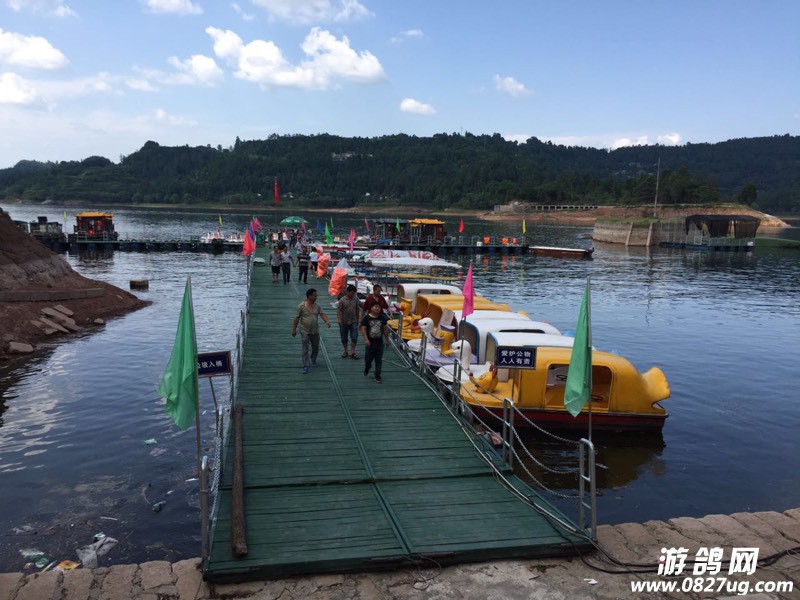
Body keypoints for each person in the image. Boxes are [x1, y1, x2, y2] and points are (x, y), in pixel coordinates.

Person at [291, 288, 331, 374]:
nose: (316, 297)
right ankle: (305, 365)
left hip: (315, 330)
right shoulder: (301, 306)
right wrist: (294, 329)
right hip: (304, 330)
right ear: (309, 296)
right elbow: (296, 318)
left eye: (316, 296)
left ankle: (313, 358)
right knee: (305, 348)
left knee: (315, 347)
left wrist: (327, 321)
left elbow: (322, 314)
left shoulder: (317, 306)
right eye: (314, 296)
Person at [360, 302, 390, 384]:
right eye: (376, 307)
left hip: (379, 342)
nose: (377, 308)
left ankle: (377, 375)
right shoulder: (366, 318)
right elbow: (363, 328)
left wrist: (387, 340)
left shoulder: (382, 317)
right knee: (368, 359)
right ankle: (367, 367)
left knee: (378, 360)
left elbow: (385, 329)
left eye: (379, 307)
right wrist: (366, 339)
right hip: (370, 342)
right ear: (371, 308)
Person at [337, 284, 361, 359]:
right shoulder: (342, 300)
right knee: (344, 337)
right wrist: (339, 319)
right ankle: (345, 351)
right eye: (352, 293)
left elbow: (359, 307)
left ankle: (352, 351)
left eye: (354, 293)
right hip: (344, 321)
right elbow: (339, 310)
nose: (353, 294)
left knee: (354, 337)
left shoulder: (355, 299)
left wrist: (359, 318)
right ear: (348, 292)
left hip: (354, 320)